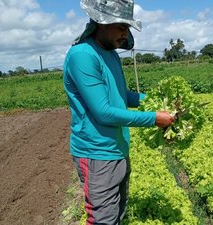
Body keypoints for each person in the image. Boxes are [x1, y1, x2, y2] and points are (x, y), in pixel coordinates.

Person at [63, 0, 175, 224]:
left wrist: (156, 102)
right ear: (101, 23)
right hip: (96, 154)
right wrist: (154, 118)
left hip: (117, 148)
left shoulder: (110, 53)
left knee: (117, 214)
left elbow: (122, 96)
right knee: (103, 219)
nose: (126, 34)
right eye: (122, 27)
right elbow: (104, 112)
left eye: (128, 28)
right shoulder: (83, 55)